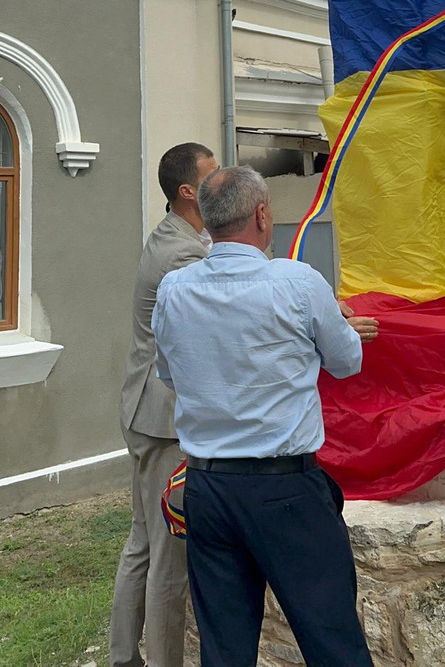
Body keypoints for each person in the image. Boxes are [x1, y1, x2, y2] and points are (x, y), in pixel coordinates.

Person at [151, 165, 378, 667]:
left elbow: (171, 374)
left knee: (225, 649)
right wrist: (327, 330)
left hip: (208, 486)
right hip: (285, 489)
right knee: (332, 639)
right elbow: (347, 362)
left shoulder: (174, 288)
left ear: (208, 221)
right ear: (261, 214)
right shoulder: (298, 281)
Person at [110, 142, 219, 667]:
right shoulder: (186, 253)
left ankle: (123, 657)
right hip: (165, 421)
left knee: (142, 547)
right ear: (188, 191)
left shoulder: (176, 235)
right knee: (168, 560)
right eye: (213, 175)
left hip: (146, 412)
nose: (221, 182)